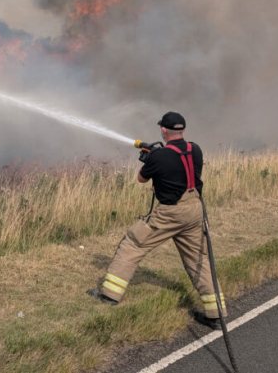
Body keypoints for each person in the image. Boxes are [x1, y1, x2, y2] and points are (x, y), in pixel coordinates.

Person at [88, 111, 227, 328]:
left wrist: (147, 158)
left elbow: (142, 179)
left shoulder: (158, 156)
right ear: (182, 130)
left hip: (170, 214)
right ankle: (215, 313)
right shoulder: (195, 149)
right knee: (199, 259)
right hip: (194, 210)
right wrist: (155, 155)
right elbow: (177, 162)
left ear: (163, 130)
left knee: (133, 243)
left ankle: (109, 294)